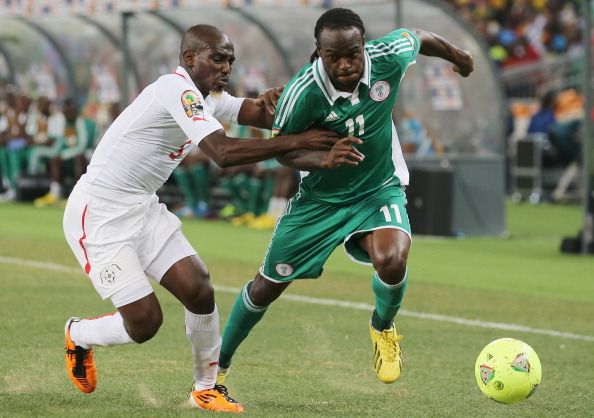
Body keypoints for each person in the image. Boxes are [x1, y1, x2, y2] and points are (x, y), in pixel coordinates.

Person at [62, 24, 358, 413]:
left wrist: (295, 101)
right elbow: (221, 152)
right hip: (98, 213)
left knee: (199, 288)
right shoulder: (175, 88)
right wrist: (299, 141)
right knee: (145, 324)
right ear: (190, 59)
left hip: (142, 207)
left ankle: (206, 388)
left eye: (230, 60)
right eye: (217, 58)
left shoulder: (207, 97)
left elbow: (257, 111)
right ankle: (79, 334)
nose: (226, 67)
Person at [217, 7, 473, 388]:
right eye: (332, 57)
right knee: (266, 286)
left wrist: (460, 57)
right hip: (319, 202)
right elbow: (283, 151)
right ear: (319, 52)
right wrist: (324, 158)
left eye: (352, 54)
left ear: (364, 46)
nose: (344, 65)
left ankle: (382, 328)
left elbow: (418, 35)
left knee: (393, 258)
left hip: (377, 187)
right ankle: (216, 364)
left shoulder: (388, 57)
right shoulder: (303, 93)